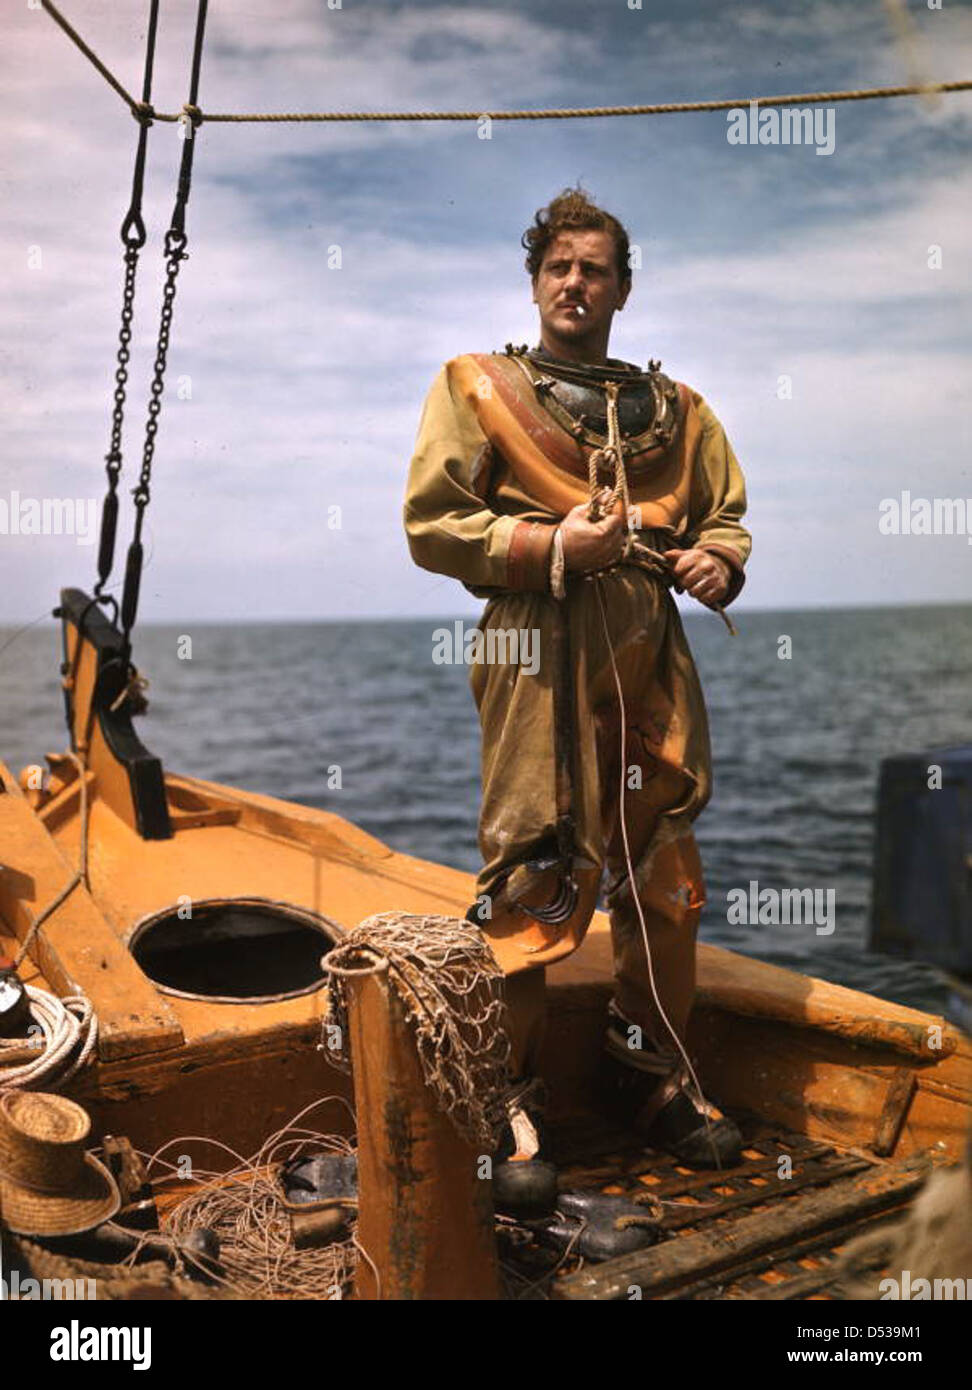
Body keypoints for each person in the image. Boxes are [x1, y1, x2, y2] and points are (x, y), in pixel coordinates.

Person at [404, 188, 751, 1173]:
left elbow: (722, 517)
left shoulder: (682, 411)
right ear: (534, 280)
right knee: (536, 866)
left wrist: (720, 562)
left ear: (622, 288)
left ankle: (646, 1071)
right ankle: (504, 1102)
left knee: (665, 876)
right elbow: (433, 524)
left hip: (652, 641)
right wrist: (557, 543)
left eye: (594, 268)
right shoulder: (476, 385)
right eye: (558, 266)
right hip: (536, 641)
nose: (574, 282)